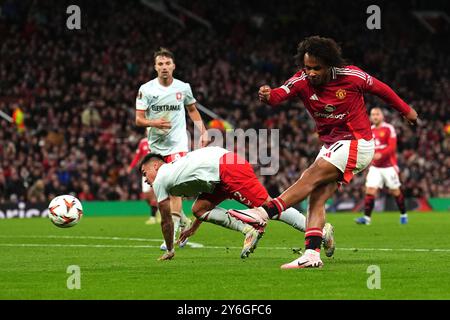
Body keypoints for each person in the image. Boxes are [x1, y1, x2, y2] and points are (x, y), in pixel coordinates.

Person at [257, 36, 418, 269]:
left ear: (330, 64)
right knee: (317, 197)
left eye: (316, 68)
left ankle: (263, 213)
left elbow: (382, 90)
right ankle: (311, 255)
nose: (310, 72)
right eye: (307, 67)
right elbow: (279, 94)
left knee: (310, 176)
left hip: (357, 141)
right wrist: (267, 95)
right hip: (332, 145)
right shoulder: (302, 79)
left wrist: (406, 110)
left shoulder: (352, 76)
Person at [139, 146, 335, 261]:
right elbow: (205, 191)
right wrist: (193, 228)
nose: (145, 179)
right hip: (219, 173)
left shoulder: (162, 179)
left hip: (227, 168)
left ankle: (320, 230)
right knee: (199, 209)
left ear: (155, 165)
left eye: (144, 173)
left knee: (270, 208)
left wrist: (170, 248)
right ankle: (249, 230)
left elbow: (166, 221)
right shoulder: (177, 171)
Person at [135, 47, 209, 250]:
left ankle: (174, 231)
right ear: (155, 67)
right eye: (160, 64)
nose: (164, 67)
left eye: (167, 63)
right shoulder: (146, 89)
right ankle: (182, 220)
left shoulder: (183, 87)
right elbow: (139, 119)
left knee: (174, 188)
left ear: (174, 66)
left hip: (178, 144)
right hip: (156, 148)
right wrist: (154, 122)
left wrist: (203, 131)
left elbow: (192, 110)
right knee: (163, 190)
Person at [355, 107, 408, 225]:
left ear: (382, 116)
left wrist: (381, 154)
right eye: (373, 114)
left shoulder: (389, 128)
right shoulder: (369, 130)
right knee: (370, 190)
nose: (375, 116)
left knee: (395, 191)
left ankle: (403, 214)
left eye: (377, 114)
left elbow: (392, 147)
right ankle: (367, 219)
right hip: (375, 167)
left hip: (389, 166)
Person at [127, 137, 160, 225]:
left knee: (153, 193)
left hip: (155, 170)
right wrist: (131, 166)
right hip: (145, 171)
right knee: (146, 196)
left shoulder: (158, 139)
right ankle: (158, 210)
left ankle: (153, 217)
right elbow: (137, 156)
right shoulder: (143, 142)